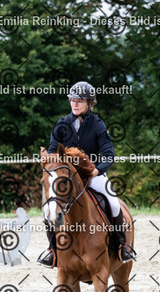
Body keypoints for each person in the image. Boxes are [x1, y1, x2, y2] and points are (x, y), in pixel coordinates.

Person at [38, 81, 136, 267]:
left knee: (114, 203)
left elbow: (109, 155)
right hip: (67, 178)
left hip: (93, 176)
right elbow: (52, 150)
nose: (74, 104)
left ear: (89, 103)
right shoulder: (62, 123)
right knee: (48, 210)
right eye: (72, 100)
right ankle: (53, 250)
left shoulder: (98, 124)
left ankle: (121, 246)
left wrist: (95, 171)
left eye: (79, 101)